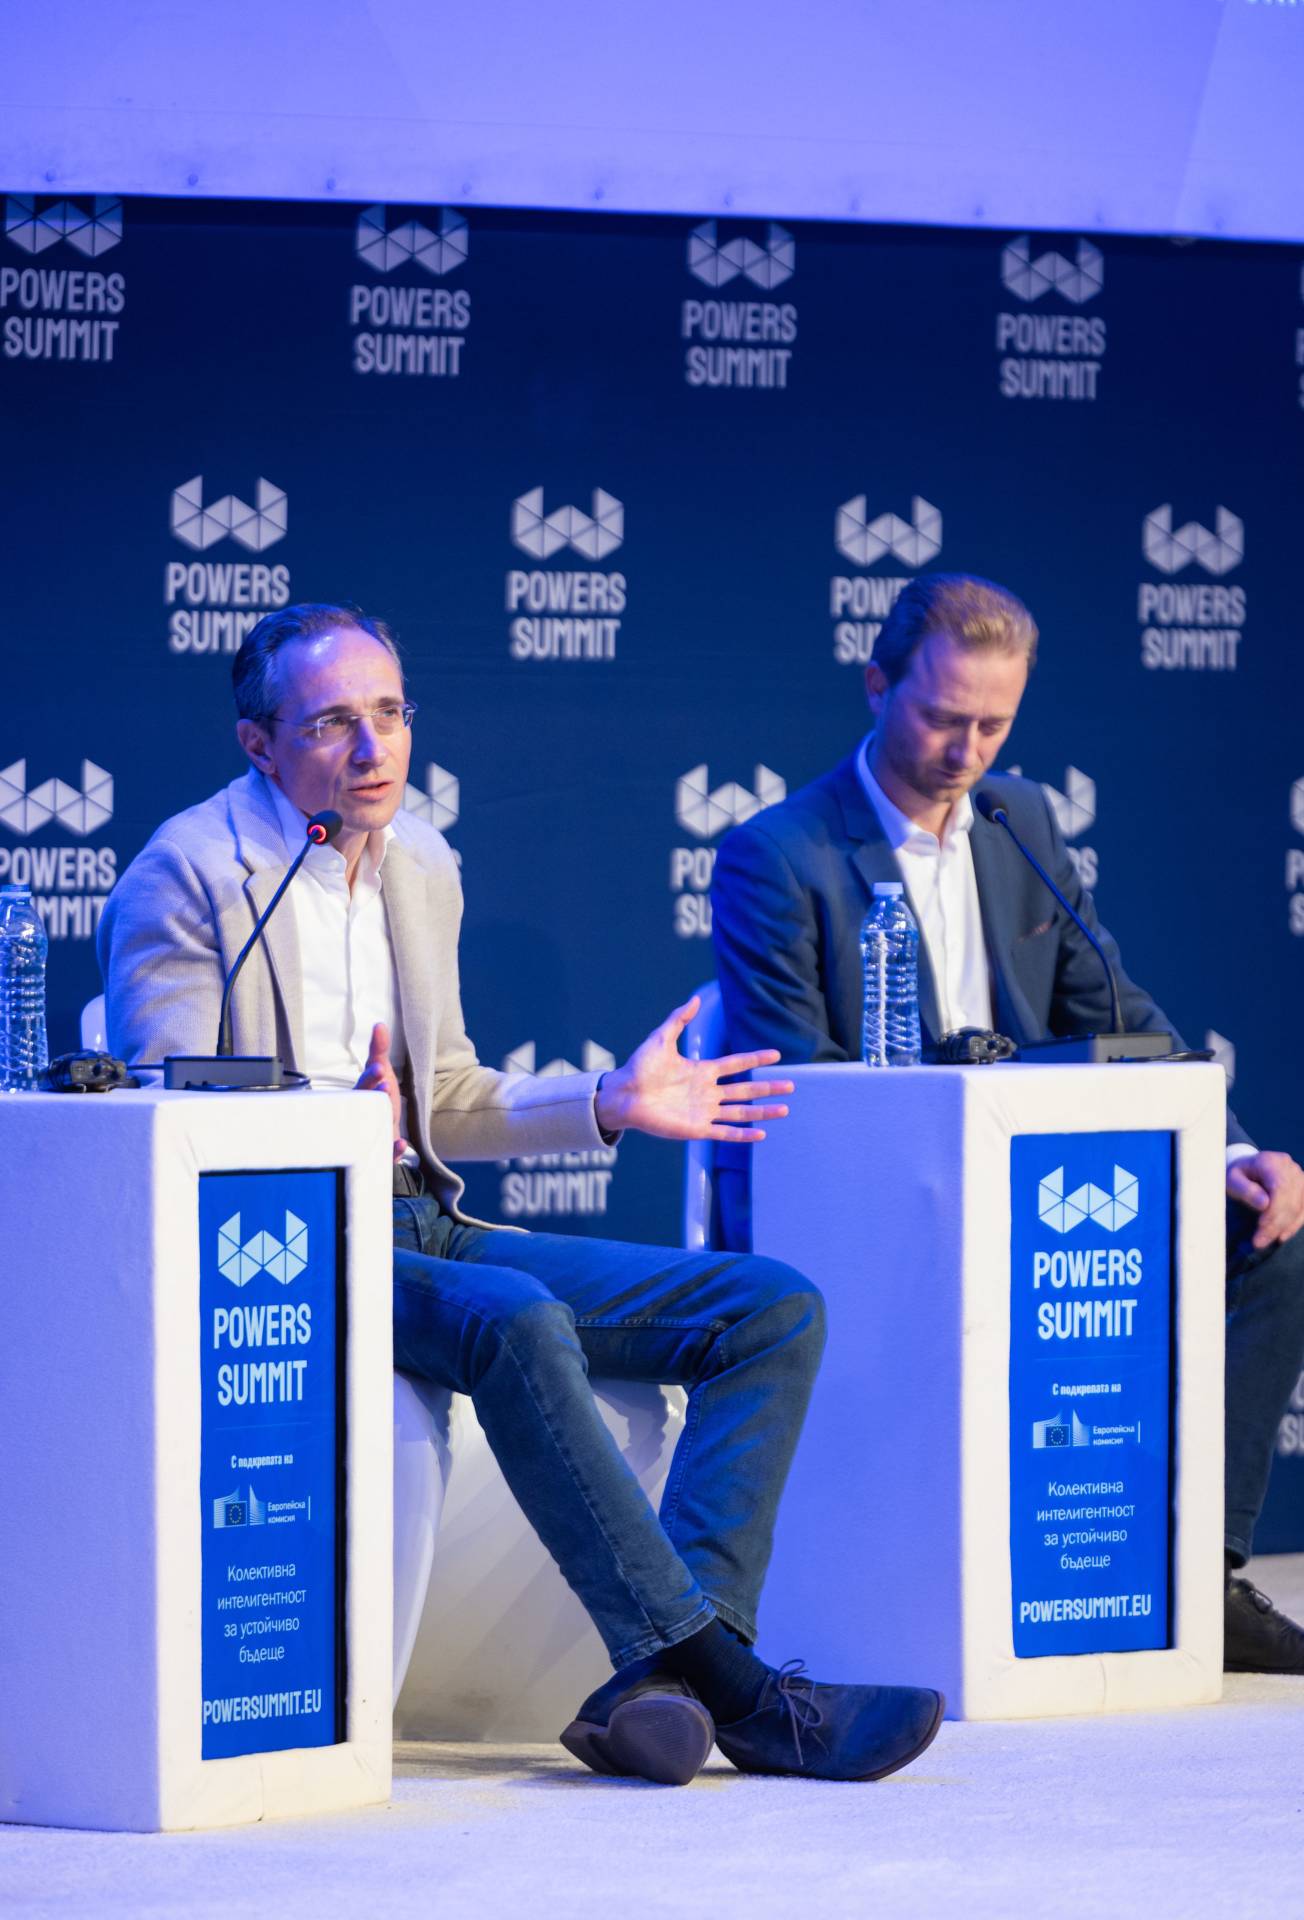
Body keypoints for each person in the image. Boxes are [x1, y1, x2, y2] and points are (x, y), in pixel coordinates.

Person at [98, 600, 945, 1787]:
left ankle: (659, 1684)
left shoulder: (418, 862)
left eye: (389, 713)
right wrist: (330, 1123)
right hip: (286, 1244)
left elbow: (442, 1093)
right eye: (332, 723)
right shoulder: (187, 875)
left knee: (768, 1309)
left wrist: (609, 1101)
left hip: (419, 1218)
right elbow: (165, 1121)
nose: (373, 748)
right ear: (259, 744)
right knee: (513, 1315)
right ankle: (739, 1692)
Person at [711, 572, 1304, 1676]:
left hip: (1038, 1190)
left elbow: (1114, 1011)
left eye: (994, 724)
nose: (966, 750)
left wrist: (1230, 1146)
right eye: (943, 717)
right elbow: (798, 1094)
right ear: (876, 684)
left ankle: (1201, 1570)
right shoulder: (780, 854)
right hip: (889, 1216)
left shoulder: (1017, 819)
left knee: (1269, 1235)